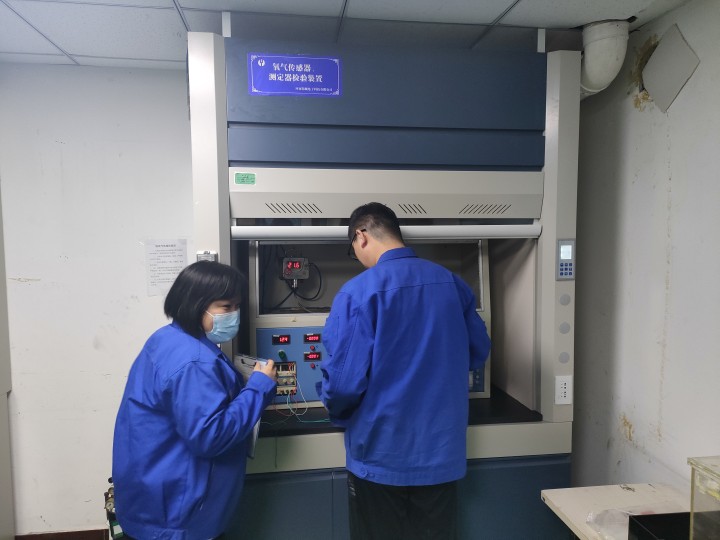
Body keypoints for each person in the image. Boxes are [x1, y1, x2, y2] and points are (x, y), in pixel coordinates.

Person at [318, 202, 491, 540]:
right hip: (440, 454)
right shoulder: (453, 284)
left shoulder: (358, 292)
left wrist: (336, 412)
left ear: (361, 236)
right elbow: (478, 351)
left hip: (380, 457)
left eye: (353, 250)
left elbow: (342, 386)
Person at [112, 260, 277, 540]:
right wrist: (259, 388)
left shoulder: (167, 338)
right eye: (225, 307)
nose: (234, 315)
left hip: (150, 494)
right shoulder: (194, 361)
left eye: (237, 306)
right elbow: (210, 437)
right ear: (195, 304)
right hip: (177, 516)